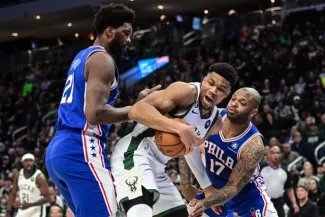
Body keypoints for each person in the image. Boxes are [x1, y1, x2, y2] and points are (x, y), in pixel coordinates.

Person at [45, 4, 159, 217]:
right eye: (126, 33)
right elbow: (94, 114)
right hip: (82, 147)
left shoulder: (83, 56)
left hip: (59, 148)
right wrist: (135, 110)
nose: (129, 39)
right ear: (109, 31)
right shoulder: (102, 60)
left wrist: (134, 105)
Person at [111, 63, 238, 217]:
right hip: (134, 153)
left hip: (158, 167)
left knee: (177, 214)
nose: (213, 90)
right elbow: (136, 109)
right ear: (204, 80)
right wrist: (179, 128)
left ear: (227, 94)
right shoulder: (186, 92)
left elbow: (191, 150)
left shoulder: (215, 123)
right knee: (140, 211)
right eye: (211, 83)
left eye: (220, 89)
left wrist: (207, 187)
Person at [182, 88, 278, 217]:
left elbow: (233, 187)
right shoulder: (213, 118)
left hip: (246, 198)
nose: (233, 103)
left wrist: (205, 202)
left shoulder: (253, 146)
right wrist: (186, 183)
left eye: (242, 103)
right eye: (233, 99)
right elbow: (187, 145)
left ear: (253, 111)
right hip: (214, 191)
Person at [261, 146, 299, 217]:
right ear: (269, 154)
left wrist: (294, 204)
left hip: (278, 202)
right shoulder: (262, 168)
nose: (275, 155)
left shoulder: (285, 171)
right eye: (273, 153)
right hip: (263, 202)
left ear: (281, 155)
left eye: (277, 153)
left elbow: (289, 189)